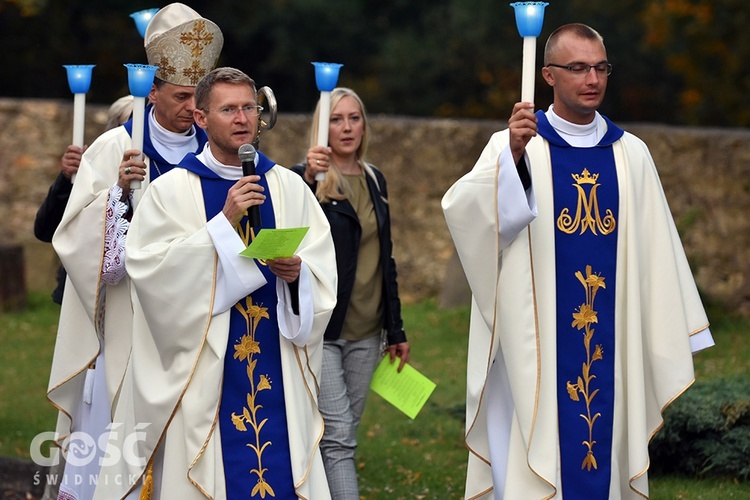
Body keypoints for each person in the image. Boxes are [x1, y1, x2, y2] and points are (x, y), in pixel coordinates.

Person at [441, 23, 714, 499]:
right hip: (537, 347)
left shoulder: (631, 154)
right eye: (578, 68)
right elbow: (468, 216)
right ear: (547, 74)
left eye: (601, 67)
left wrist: (678, 328)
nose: (593, 78)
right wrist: (512, 161)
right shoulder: (516, 144)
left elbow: (657, 250)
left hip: (612, 338)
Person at [94, 67, 337, 499]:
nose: (242, 118)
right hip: (205, 372)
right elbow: (151, 276)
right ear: (202, 119)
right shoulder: (170, 191)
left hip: (275, 362)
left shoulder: (288, 188)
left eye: (249, 108)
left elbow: (322, 269)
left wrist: (298, 275)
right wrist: (222, 224)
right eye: (228, 109)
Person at [47, 4, 222, 498]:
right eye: (183, 96)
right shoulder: (112, 148)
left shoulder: (211, 154)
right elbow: (72, 238)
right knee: (117, 446)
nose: (192, 108)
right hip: (126, 319)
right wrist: (118, 197)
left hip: (190, 315)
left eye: (198, 98)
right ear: (153, 91)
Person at [291, 87, 410, 499]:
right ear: (321, 127)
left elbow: (385, 258)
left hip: (368, 330)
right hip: (324, 328)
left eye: (354, 117)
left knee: (340, 433)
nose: (347, 127)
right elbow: (286, 223)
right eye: (336, 119)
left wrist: (396, 330)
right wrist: (308, 177)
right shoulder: (309, 180)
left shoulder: (375, 178)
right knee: (339, 435)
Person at [34, 95, 134, 306]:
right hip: (87, 289)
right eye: (131, 123)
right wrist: (66, 179)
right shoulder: (93, 166)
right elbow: (45, 230)